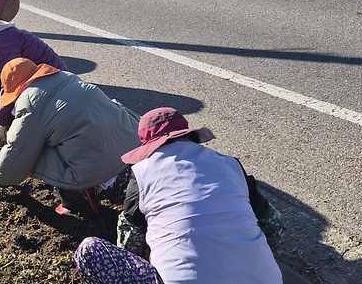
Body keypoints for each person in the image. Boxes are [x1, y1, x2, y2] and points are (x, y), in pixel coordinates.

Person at [74, 107, 284, 284]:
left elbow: (129, 246)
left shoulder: (142, 173)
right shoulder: (230, 164)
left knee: (90, 250)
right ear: (187, 134)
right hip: (265, 278)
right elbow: (274, 226)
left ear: (147, 146)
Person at [0, 58, 140, 219]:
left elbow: (18, 150)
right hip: (137, 159)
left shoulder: (30, 102)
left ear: (15, 89)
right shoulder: (67, 77)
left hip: (108, 177)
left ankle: (78, 200)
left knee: (34, 151)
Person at [0, 14, 68, 146]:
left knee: (23, 110)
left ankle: (17, 120)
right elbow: (4, 75)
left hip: (52, 84)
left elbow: (11, 82)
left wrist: (2, 123)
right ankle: (10, 115)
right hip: (40, 78)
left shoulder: (1, 42)